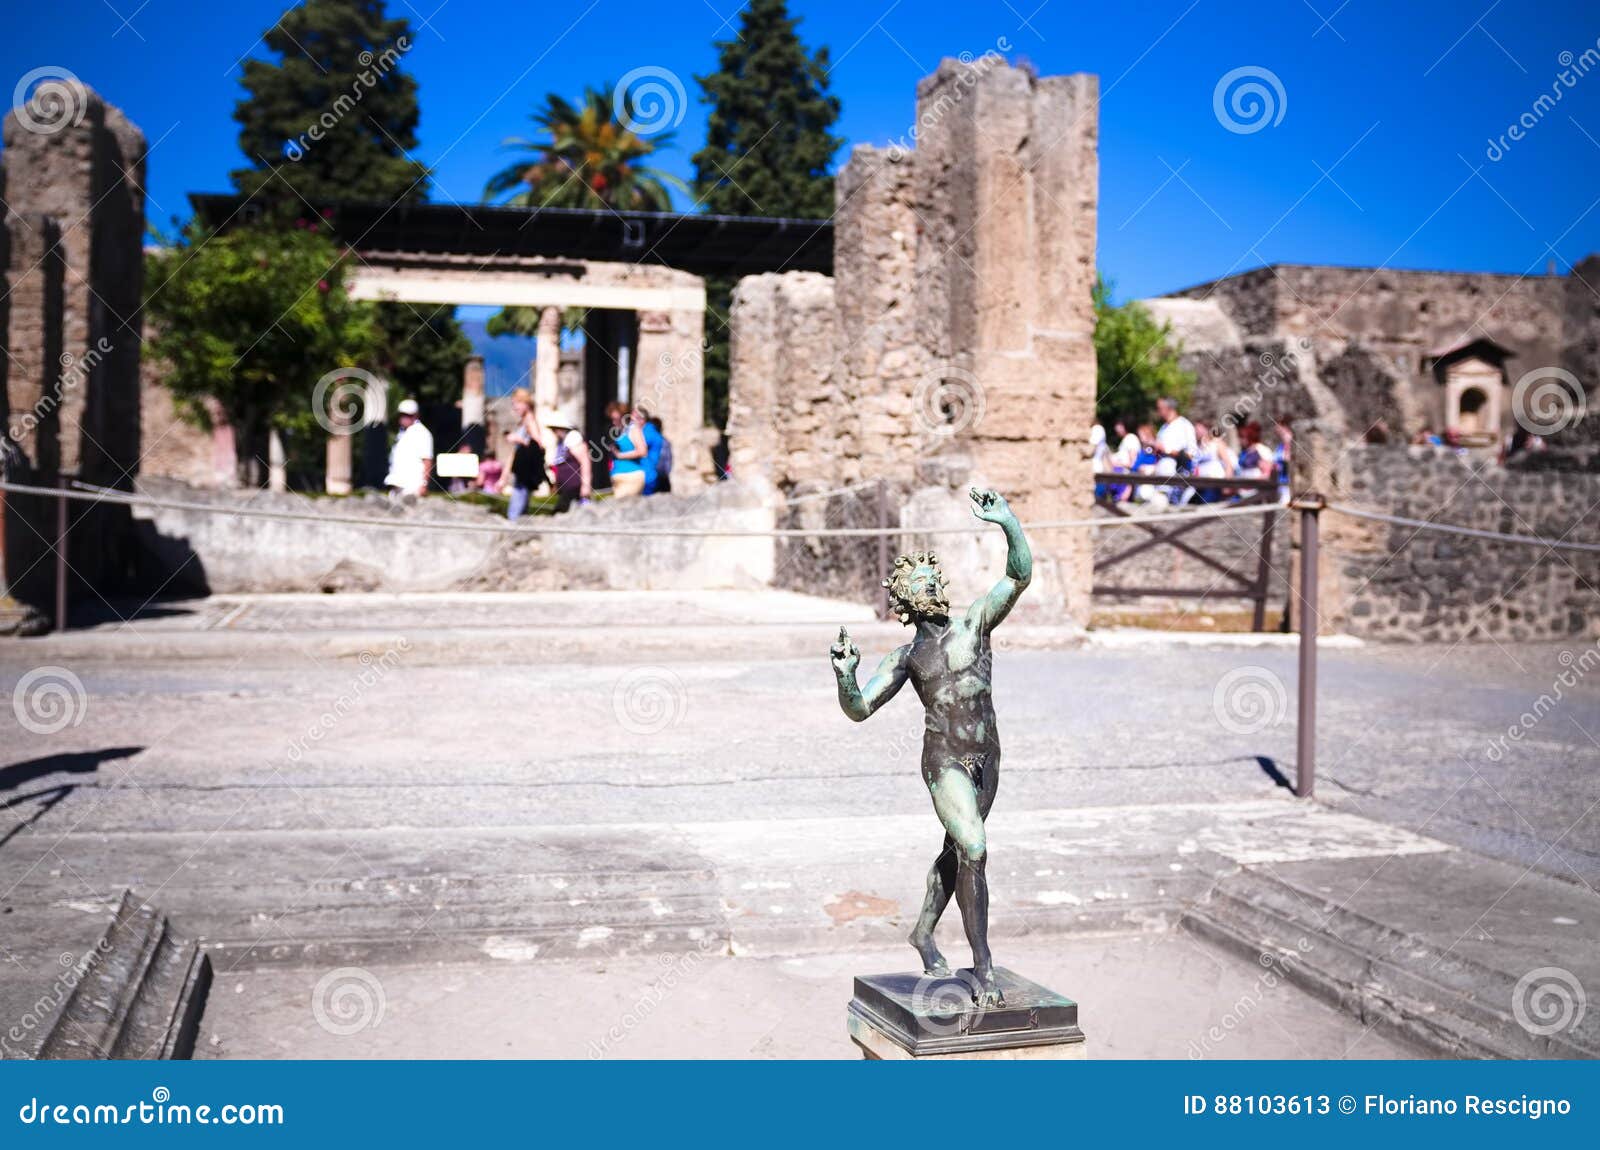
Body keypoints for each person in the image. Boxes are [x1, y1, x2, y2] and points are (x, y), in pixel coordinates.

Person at [830, 488, 1030, 1008]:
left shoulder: (974, 625)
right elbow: (859, 708)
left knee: (959, 852)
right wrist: (846, 677)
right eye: (912, 584)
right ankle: (983, 966)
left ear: (939, 586)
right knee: (976, 847)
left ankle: (922, 931)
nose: (925, 585)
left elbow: (1018, 577)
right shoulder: (905, 658)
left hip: (988, 758)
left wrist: (1007, 522)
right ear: (903, 602)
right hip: (945, 763)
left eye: (928, 578)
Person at [504, 388, 546, 521]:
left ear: (526, 403)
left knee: (515, 510)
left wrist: (519, 439)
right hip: (521, 473)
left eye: (516, 403)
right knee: (519, 507)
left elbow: (538, 444)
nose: (514, 407)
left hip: (525, 474)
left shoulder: (530, 421)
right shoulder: (524, 422)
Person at [545, 407, 593, 513]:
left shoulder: (573, 438)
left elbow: (585, 462)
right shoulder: (561, 442)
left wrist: (586, 486)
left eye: (554, 428)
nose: (553, 432)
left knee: (559, 513)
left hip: (574, 486)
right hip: (566, 488)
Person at [384, 398, 433, 499]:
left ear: (416, 415)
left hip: (412, 487)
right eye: (402, 415)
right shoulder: (402, 433)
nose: (404, 418)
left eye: (408, 415)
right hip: (397, 486)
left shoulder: (422, 433)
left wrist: (424, 485)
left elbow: (427, 460)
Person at [606, 401, 648, 498]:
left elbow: (642, 451)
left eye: (616, 419)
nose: (613, 422)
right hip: (618, 478)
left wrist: (620, 455)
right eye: (612, 419)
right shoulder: (619, 432)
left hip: (631, 476)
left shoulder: (633, 429)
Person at [648, 415, 674, 494]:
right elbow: (668, 462)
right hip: (662, 478)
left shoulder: (649, 442)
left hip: (656, 478)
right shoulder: (665, 442)